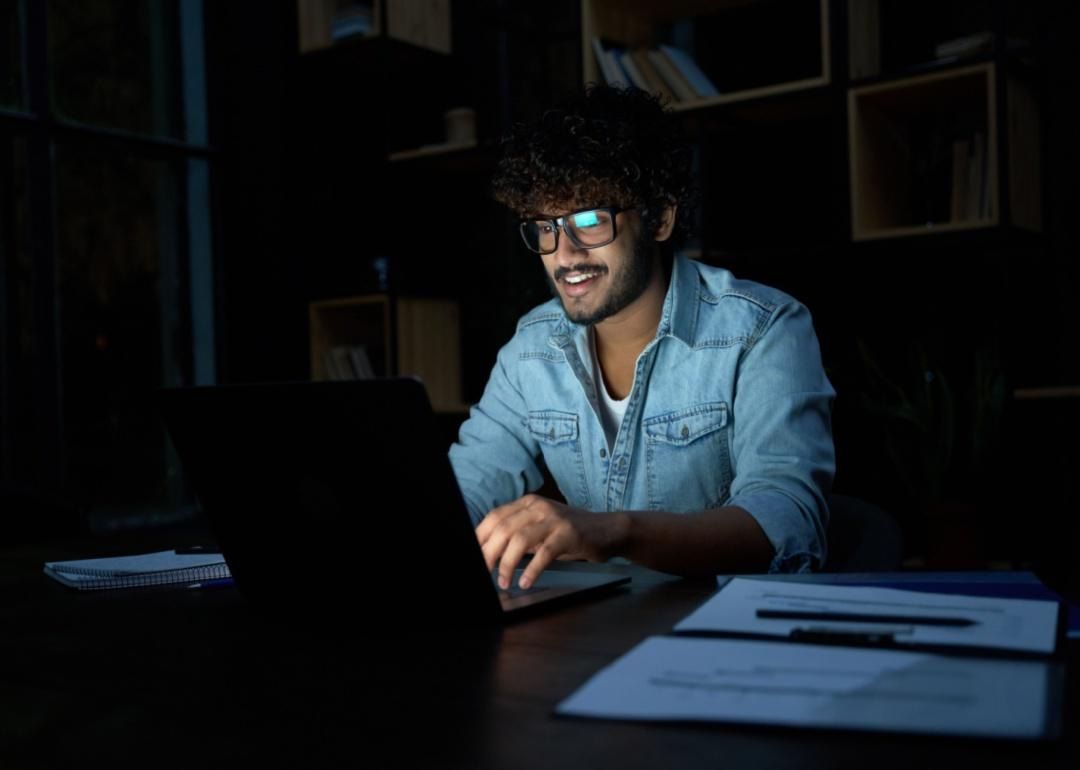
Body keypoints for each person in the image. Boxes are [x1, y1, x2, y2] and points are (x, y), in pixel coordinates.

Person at [449, 85, 835, 591]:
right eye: (546, 227)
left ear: (660, 218)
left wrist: (613, 532)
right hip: (590, 633)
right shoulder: (532, 348)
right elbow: (466, 487)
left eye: (590, 221)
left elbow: (785, 522)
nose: (563, 254)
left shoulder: (762, 329)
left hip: (718, 633)